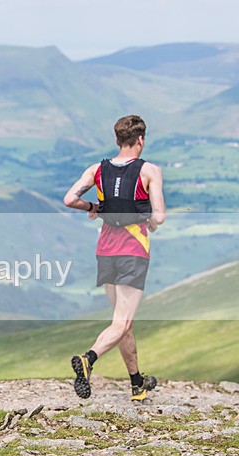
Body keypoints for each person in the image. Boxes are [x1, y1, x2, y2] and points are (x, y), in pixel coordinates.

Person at [63, 115, 166, 401]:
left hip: (105, 250)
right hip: (133, 251)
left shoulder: (97, 169)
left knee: (123, 322)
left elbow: (69, 199)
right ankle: (88, 359)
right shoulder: (150, 171)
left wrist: (93, 206)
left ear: (117, 139)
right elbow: (159, 216)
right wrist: (149, 221)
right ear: (141, 140)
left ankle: (137, 383)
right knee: (121, 323)